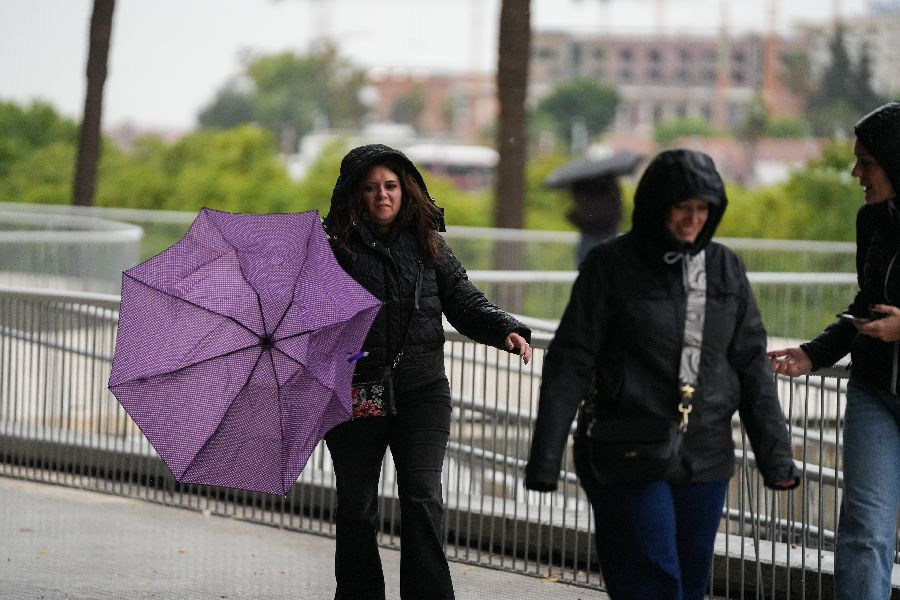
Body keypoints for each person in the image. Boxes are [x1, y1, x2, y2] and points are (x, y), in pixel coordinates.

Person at [525, 148, 799, 600]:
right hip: (625, 447)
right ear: (657, 206)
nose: (693, 219)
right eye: (682, 207)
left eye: (703, 209)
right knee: (651, 582)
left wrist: (777, 459)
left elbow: (751, 364)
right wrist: (545, 460)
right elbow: (570, 361)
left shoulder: (725, 267)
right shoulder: (610, 265)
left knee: (689, 586)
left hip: (706, 452)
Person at [321, 143, 532, 600]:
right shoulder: (331, 250)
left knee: (421, 496)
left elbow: (465, 301)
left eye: (391, 186)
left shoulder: (428, 244)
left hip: (422, 391)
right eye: (372, 187)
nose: (382, 195)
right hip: (357, 392)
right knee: (356, 505)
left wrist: (506, 329)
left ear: (406, 190)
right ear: (356, 193)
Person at [769, 101, 900, 600]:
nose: (855, 173)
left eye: (867, 162)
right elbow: (866, 303)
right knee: (865, 531)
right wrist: (813, 353)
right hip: (874, 394)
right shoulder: (872, 220)